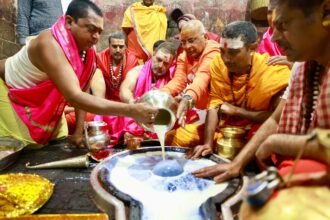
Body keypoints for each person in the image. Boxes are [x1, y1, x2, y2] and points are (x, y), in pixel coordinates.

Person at [193, 0, 330, 183]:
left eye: (283, 25)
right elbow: (276, 119)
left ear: (326, 13)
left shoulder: (273, 69)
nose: (273, 38)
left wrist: (277, 142)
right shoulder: (302, 67)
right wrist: (237, 165)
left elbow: (270, 118)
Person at [0, 0, 157, 147]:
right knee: (27, 147)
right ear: (69, 22)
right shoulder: (49, 43)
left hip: (46, 100)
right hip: (11, 91)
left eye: (99, 32)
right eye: (91, 30)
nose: (96, 38)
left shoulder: (88, 52)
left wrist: (77, 133)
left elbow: (82, 89)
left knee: (57, 140)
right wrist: (131, 110)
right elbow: (75, 97)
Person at [169, 21, 290, 150]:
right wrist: (207, 144)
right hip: (224, 131)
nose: (226, 59)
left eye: (233, 52)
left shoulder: (271, 71)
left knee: (263, 141)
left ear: (253, 48)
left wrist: (237, 111)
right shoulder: (219, 63)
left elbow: (278, 118)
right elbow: (215, 103)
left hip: (254, 131)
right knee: (174, 137)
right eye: (222, 52)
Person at [93, 41, 177, 146]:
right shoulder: (137, 71)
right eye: (158, 60)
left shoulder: (173, 78)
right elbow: (125, 90)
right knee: (114, 113)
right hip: (136, 113)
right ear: (153, 54)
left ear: (171, 64)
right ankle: (134, 134)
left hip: (160, 118)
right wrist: (132, 102)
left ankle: (145, 135)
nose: (160, 66)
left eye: (166, 63)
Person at [66, 31, 139, 140]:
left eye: (121, 46)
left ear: (126, 47)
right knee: (70, 119)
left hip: (124, 109)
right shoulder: (99, 58)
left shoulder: (133, 60)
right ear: (108, 46)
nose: (118, 50)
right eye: (114, 46)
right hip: (102, 108)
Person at [161, 20, 220, 128]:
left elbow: (202, 78)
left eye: (191, 40)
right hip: (199, 108)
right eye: (183, 42)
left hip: (217, 111)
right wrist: (161, 94)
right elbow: (178, 80)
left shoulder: (213, 51)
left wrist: (188, 99)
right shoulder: (184, 56)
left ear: (205, 37)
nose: (187, 46)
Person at [257, 0, 293, 68]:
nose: (272, 16)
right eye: (269, 12)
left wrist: (295, 65)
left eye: (277, 11)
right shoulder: (265, 41)